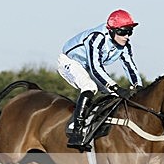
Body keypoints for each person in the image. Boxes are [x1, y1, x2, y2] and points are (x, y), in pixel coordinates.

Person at [57, 9, 142, 151]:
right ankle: (76, 129)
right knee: (90, 87)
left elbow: (130, 67)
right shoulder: (96, 38)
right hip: (70, 62)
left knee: (114, 95)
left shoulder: (125, 45)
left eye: (130, 32)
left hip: (87, 66)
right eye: (123, 32)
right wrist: (116, 87)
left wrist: (138, 86)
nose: (126, 36)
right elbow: (96, 68)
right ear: (112, 30)